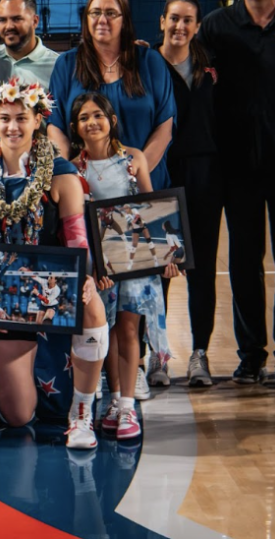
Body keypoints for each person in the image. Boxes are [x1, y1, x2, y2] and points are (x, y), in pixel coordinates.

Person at [0, 80, 110, 450]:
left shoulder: (61, 172)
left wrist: (85, 276)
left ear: (37, 120)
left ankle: (82, 413)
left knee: (92, 305)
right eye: (5, 118)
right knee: (18, 415)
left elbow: (76, 236)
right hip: (0, 287)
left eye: (21, 118)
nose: (13, 127)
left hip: (50, 279)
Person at [200, 0, 275, 385]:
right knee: (244, 262)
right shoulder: (216, 26)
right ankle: (251, 354)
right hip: (238, 166)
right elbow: (186, 69)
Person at [70, 92, 174, 440]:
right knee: (108, 330)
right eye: (84, 117)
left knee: (129, 330)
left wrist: (168, 257)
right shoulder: (73, 167)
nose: (92, 122)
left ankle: (128, 406)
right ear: (76, 127)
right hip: (98, 266)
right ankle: (114, 400)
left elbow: (153, 208)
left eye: (98, 115)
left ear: (111, 119)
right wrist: (90, 268)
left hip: (133, 258)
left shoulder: (134, 158)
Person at [48, 0, 175, 191]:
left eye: (111, 13)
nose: (102, 20)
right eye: (95, 12)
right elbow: (55, 127)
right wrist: (67, 174)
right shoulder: (66, 64)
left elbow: (164, 128)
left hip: (145, 183)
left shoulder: (150, 62)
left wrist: (133, 176)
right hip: (86, 188)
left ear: (124, 20)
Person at [0, 0, 61, 87]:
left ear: (35, 21)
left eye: (17, 19)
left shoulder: (57, 66)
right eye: (2, 20)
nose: (9, 26)